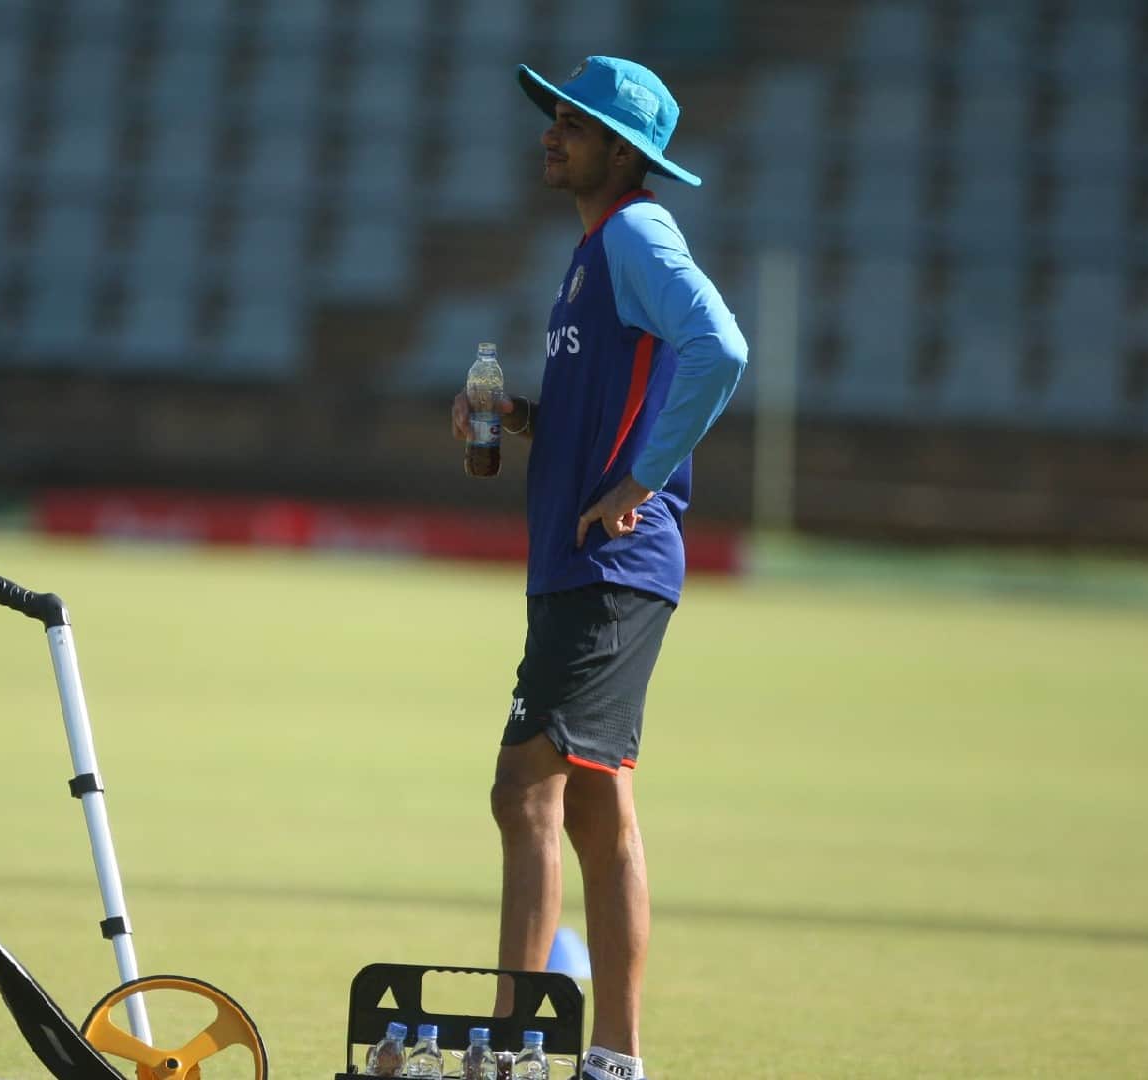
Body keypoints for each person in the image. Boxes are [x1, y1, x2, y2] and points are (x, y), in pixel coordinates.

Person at [451, 58, 749, 1080]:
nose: (550, 133)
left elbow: (722, 345)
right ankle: (611, 1061)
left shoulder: (634, 231)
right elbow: (605, 409)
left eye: (572, 123)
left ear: (623, 151)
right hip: (586, 565)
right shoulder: (591, 252)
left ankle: (506, 1049)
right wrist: (519, 418)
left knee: (521, 788)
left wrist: (640, 483)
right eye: (555, 117)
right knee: (590, 806)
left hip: (611, 563)